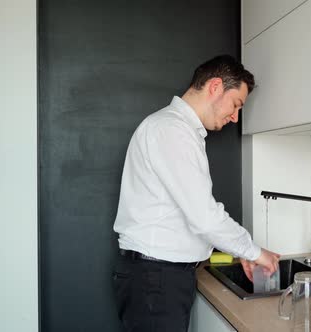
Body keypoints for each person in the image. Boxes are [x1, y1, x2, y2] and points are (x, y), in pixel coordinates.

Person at [112, 54, 280, 332]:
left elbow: (190, 215)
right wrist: (254, 252)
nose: (235, 117)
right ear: (215, 87)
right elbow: (204, 216)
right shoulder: (172, 130)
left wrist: (241, 253)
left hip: (156, 278)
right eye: (236, 105)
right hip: (156, 280)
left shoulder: (176, 130)